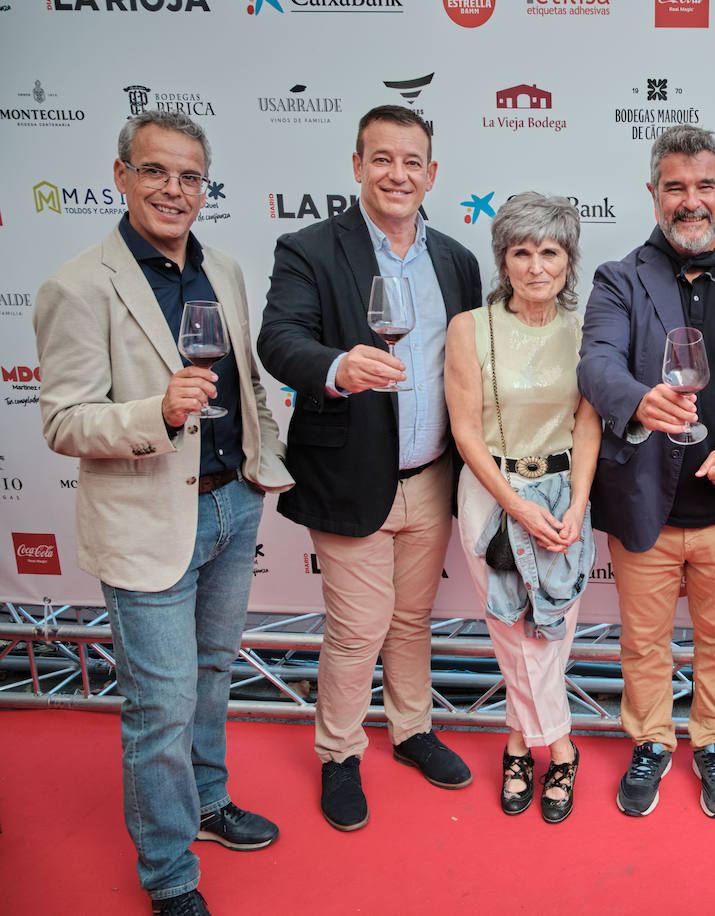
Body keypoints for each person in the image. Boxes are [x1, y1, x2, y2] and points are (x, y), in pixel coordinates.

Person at [33, 110, 293, 916]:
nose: (173, 190)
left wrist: (263, 465)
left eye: (188, 176)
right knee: (162, 705)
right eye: (155, 172)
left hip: (231, 510)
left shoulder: (225, 270)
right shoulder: (78, 285)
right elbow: (62, 420)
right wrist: (159, 413)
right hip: (147, 523)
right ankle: (170, 873)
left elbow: (248, 381)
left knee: (212, 679)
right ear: (121, 177)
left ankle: (208, 805)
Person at [257, 104, 482, 832]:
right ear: (356, 166)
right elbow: (278, 338)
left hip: (433, 475)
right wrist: (334, 365)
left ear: (432, 173)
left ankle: (412, 730)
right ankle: (339, 754)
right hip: (350, 473)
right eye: (382, 159)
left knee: (412, 619)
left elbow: (470, 368)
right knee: (359, 628)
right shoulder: (310, 250)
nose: (397, 174)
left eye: (412, 161)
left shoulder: (456, 260)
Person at [578, 124, 715, 819]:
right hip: (644, 503)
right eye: (675, 187)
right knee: (642, 643)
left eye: (703, 186)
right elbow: (597, 365)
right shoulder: (618, 279)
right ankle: (648, 741)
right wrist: (639, 399)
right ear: (653, 194)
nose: (690, 201)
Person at [445, 192, 598, 823]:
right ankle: (560, 749)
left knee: (551, 632)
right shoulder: (469, 329)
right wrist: (515, 505)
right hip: (491, 496)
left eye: (551, 252)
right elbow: (465, 431)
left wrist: (578, 505)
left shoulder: (587, 331)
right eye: (522, 252)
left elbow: (589, 424)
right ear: (502, 260)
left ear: (570, 261)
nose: (537, 267)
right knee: (514, 632)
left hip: (567, 493)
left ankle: (517, 740)